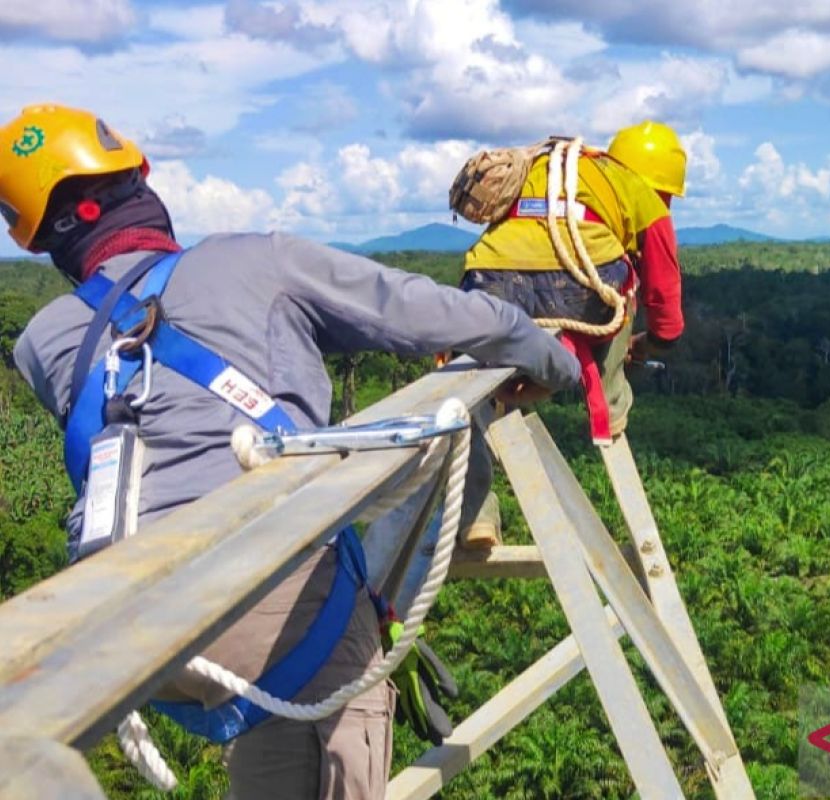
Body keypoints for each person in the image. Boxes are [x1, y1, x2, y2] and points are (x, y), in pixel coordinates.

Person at [0, 103, 580, 799]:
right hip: (269, 598)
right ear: (140, 188)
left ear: (45, 241)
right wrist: (558, 365)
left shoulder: (42, 341)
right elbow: (441, 316)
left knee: (270, 731)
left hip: (119, 630)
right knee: (319, 702)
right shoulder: (258, 260)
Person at [457, 120, 687, 547]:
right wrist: (649, 345)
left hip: (486, 281)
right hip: (580, 289)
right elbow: (665, 303)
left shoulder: (547, 170)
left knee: (470, 390)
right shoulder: (637, 191)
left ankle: (476, 517)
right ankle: (610, 407)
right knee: (626, 284)